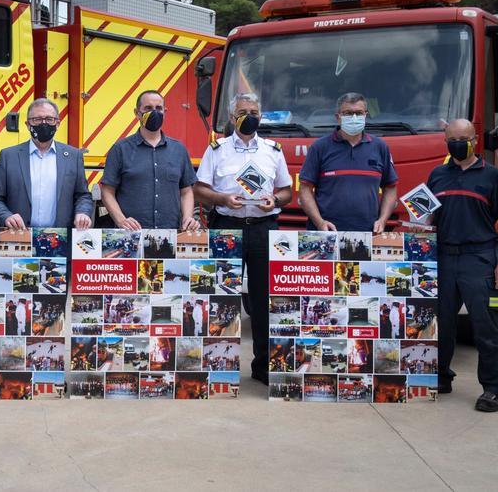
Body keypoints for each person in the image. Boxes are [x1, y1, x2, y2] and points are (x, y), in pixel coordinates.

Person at [194, 92, 293, 384]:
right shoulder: (217, 149)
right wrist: (222, 197)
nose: (249, 116)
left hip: (263, 229)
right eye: (242, 111)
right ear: (232, 116)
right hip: (226, 227)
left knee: (263, 301)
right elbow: (200, 189)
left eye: (253, 111)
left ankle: (263, 367)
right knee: (220, 298)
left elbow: (288, 192)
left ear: (260, 115)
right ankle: (218, 366)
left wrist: (274, 201)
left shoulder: (273, 150)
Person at [425, 118, 498, 412]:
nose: (458, 143)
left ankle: (493, 388)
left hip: (480, 259)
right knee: (440, 326)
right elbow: (427, 218)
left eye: (463, 138)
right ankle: (441, 377)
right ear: (445, 141)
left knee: (486, 326)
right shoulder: (438, 175)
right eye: (452, 138)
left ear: (475, 139)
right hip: (443, 258)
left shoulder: (492, 176)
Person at [0, 98, 94, 230]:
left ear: (58, 123)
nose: (44, 123)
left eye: (49, 119)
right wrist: (6, 216)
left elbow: (83, 195)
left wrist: (82, 213)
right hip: (19, 237)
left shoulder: (73, 156)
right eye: (37, 119)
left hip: (60, 239)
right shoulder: (8, 156)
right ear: (27, 124)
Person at [298, 92, 398, 232]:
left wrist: (382, 220)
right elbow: (305, 189)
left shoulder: (379, 147)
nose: (354, 117)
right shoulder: (319, 147)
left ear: (366, 115)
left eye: (359, 113)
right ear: (338, 117)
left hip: (369, 234)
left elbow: (390, 187)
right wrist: (320, 223)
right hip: (327, 234)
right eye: (348, 113)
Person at [101, 90, 199, 231]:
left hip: (169, 235)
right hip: (131, 236)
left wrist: (187, 217)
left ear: (165, 112)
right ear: (137, 113)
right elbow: (107, 192)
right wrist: (121, 220)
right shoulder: (120, 149)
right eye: (148, 108)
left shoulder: (179, 150)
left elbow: (186, 191)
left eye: (158, 108)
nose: (154, 113)